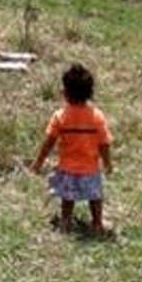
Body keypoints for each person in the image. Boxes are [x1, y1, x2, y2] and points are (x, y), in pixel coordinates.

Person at [31, 63, 114, 237]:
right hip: (90, 169)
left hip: (68, 168)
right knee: (95, 197)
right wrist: (107, 163)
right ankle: (97, 223)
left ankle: (66, 222)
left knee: (67, 198)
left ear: (66, 93)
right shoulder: (97, 117)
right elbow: (104, 143)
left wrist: (39, 161)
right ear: (90, 93)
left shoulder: (60, 117)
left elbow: (49, 142)